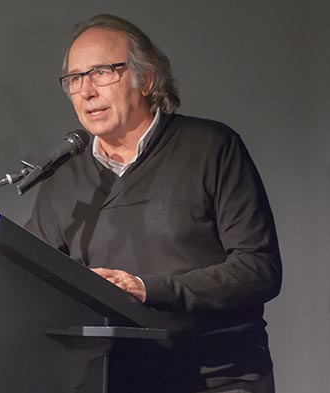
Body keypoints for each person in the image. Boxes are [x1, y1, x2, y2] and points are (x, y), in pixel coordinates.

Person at [25, 14, 282, 393]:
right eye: (75, 78)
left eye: (101, 72)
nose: (86, 91)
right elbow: (30, 274)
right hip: (111, 376)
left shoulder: (211, 147)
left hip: (218, 374)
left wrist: (149, 289)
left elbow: (259, 269)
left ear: (145, 79)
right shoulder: (65, 174)